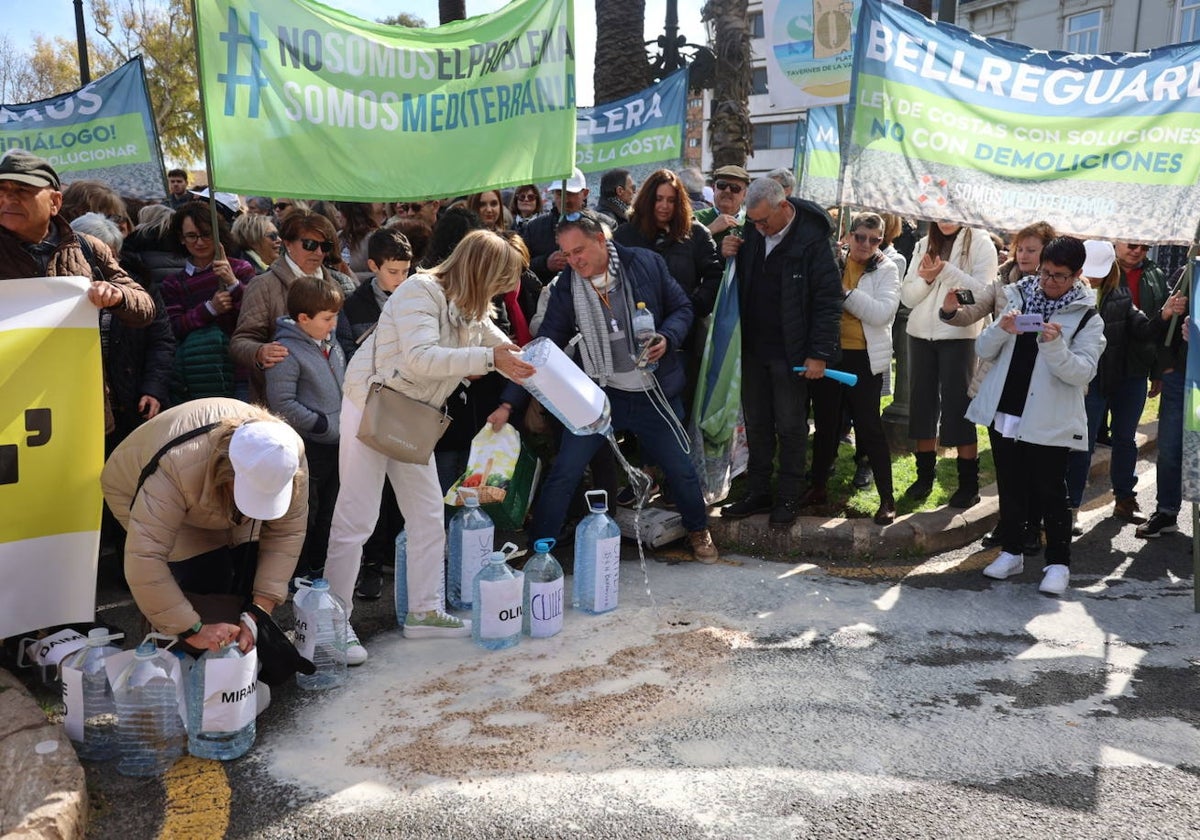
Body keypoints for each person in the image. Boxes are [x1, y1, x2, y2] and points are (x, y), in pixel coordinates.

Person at [324, 230, 534, 663]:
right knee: (357, 517)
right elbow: (422, 356)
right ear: (480, 271)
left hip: (410, 413)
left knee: (426, 514)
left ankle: (424, 612)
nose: (500, 291)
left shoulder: (466, 304)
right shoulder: (419, 291)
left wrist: (519, 358)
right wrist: (493, 360)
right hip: (372, 405)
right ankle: (332, 624)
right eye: (498, 281)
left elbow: (492, 337)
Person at [490, 210, 720, 563]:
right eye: (566, 255)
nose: (574, 261)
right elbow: (544, 346)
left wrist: (667, 337)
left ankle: (698, 530)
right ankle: (540, 550)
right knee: (566, 469)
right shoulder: (568, 284)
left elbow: (682, 307)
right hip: (599, 393)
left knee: (679, 466)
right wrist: (509, 403)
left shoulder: (645, 263)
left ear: (601, 240)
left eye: (579, 250)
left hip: (651, 390)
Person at [100, 398, 306, 652]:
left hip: (204, 485)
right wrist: (191, 629)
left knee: (246, 562)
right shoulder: (176, 467)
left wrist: (259, 610)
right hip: (136, 481)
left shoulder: (287, 454)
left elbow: (287, 534)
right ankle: (167, 646)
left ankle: (232, 650)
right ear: (227, 471)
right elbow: (145, 557)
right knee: (201, 573)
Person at [967, 237, 1105, 596]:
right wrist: (1001, 329)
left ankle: (1058, 563)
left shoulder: (1087, 316)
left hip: (1049, 416)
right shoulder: (1017, 295)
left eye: (1059, 276)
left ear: (1077, 275)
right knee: (1010, 485)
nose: (1049, 281)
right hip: (1006, 408)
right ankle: (1011, 552)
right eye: (1045, 272)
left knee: (1049, 491)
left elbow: (1081, 373)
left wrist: (1056, 345)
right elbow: (982, 349)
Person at [0, 150, 156, 431]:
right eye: (2, 190)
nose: (8, 199)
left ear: (55, 202)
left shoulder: (88, 248)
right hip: (8, 408)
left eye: (23, 190)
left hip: (77, 405)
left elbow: (145, 307)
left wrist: (117, 296)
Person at [719, 178, 843, 528]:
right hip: (754, 348)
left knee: (790, 426)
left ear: (783, 207)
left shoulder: (814, 240)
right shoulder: (752, 231)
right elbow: (736, 277)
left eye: (763, 222)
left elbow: (828, 301)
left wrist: (818, 353)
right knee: (757, 424)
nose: (758, 228)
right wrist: (726, 250)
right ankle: (757, 491)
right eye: (753, 222)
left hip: (793, 352)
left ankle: (788, 496)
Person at [942, 220, 1054, 548]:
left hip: (1037, 387)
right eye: (1020, 248)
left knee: (1032, 463)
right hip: (1000, 386)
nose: (1022, 255)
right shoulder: (1002, 281)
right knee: (1005, 463)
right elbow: (970, 313)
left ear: (1047, 252)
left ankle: (1032, 527)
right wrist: (950, 309)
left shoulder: (1058, 288)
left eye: (1031, 250)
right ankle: (1009, 523)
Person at [1065, 240, 1181, 533]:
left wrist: (1164, 315)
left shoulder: (1120, 293)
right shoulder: (1067, 294)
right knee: (1082, 443)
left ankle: (1124, 499)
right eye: (1087, 271)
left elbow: (1143, 330)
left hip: (1127, 376)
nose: (1091, 278)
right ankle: (1072, 508)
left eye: (1097, 272)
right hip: (1089, 379)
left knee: (1125, 440)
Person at [333, 227, 413, 600]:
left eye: (406, 270)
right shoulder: (355, 304)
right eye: (393, 272)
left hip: (408, 405)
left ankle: (400, 566)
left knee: (408, 495)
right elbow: (348, 355)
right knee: (366, 498)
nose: (401, 279)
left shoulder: (416, 296)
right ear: (372, 266)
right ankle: (368, 567)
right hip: (367, 404)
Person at [804, 212, 900, 524]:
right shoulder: (833, 260)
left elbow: (881, 314)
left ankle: (887, 499)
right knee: (826, 425)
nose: (866, 244)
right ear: (848, 235)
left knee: (869, 428)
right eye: (861, 237)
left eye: (874, 240)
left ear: (881, 241)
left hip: (864, 359)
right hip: (829, 354)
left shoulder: (888, 268)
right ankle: (817, 486)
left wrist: (842, 293)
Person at [900, 220, 998, 508]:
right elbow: (908, 296)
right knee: (922, 405)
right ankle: (924, 478)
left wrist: (945, 272)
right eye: (939, 213)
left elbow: (982, 293)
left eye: (950, 212)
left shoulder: (981, 242)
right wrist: (928, 280)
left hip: (959, 334)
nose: (945, 220)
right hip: (919, 334)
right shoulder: (922, 243)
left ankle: (969, 483)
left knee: (959, 407)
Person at [265, 277, 346, 584]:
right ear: (303, 319)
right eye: (327, 318)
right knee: (305, 515)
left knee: (330, 511)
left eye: (335, 316)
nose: (334, 324)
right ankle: (295, 574)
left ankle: (320, 567)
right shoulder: (285, 351)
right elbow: (282, 403)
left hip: (337, 444)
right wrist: (322, 424)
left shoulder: (332, 343)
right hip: (308, 446)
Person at [230, 208, 355, 404]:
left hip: (333, 398)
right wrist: (260, 352)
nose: (319, 252)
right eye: (310, 244)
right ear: (287, 243)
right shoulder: (263, 285)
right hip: (283, 400)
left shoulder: (335, 285)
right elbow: (240, 341)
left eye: (326, 246)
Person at [1111, 241, 1185, 539]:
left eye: (1144, 246)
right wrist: (1166, 366)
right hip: (1100, 369)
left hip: (1138, 371)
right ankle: (1166, 512)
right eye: (1132, 244)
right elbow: (1168, 322)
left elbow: (1158, 324)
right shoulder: (1189, 273)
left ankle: (1128, 499)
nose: (1137, 250)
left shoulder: (1154, 273)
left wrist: (1158, 369)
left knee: (1125, 437)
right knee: (1167, 449)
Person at [160, 202, 257, 401]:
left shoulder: (240, 269)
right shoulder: (173, 283)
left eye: (206, 234)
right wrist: (209, 309)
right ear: (181, 238)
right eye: (192, 236)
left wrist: (233, 284)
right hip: (199, 374)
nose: (200, 242)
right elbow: (174, 327)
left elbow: (255, 315)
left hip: (241, 371)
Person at [523, 167, 589, 283]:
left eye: (570, 194)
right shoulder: (534, 228)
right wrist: (546, 263)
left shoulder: (603, 225)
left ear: (585, 193)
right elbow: (521, 267)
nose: (565, 200)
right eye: (560, 194)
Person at [694, 164, 751, 248]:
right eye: (722, 185)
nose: (727, 190)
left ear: (745, 194)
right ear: (714, 188)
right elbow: (682, 250)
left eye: (735, 188)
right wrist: (710, 230)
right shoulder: (695, 218)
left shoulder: (752, 223)